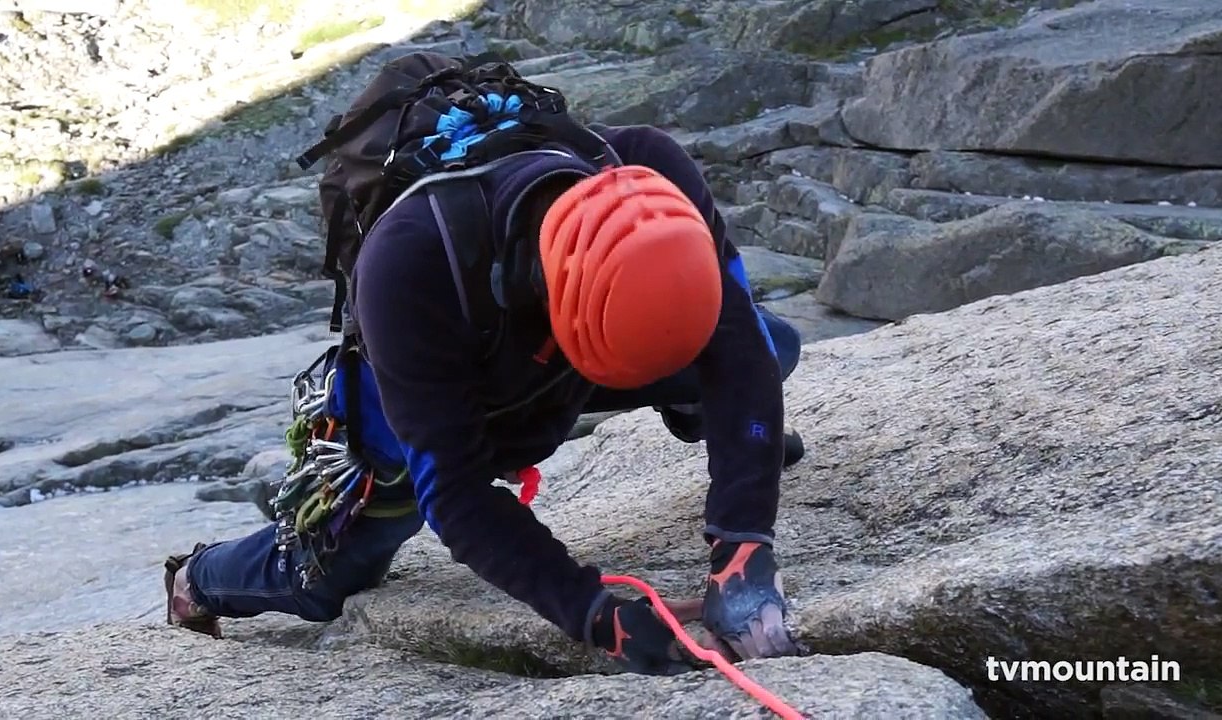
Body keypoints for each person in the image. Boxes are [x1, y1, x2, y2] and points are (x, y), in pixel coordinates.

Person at [165, 59, 806, 674]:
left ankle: (701, 415)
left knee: (772, 347)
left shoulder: (649, 166)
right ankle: (200, 579)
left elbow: (740, 346)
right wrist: (595, 616)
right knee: (324, 582)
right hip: (436, 403)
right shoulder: (408, 266)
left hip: (564, 353)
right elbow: (458, 496)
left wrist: (742, 535)